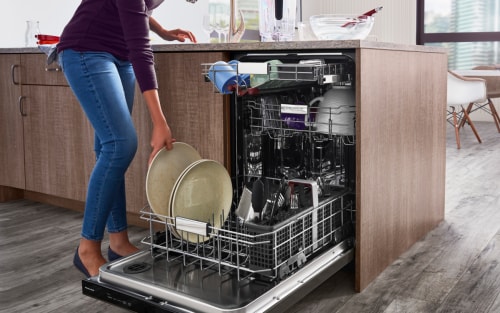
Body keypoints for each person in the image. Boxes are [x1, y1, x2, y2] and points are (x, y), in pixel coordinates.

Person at [57, 0, 197, 277]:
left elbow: (135, 11)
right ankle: (87, 249)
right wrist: (160, 122)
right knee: (120, 145)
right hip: (87, 50)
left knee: (109, 148)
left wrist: (163, 30)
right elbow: (141, 50)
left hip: (118, 56)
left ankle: (118, 241)